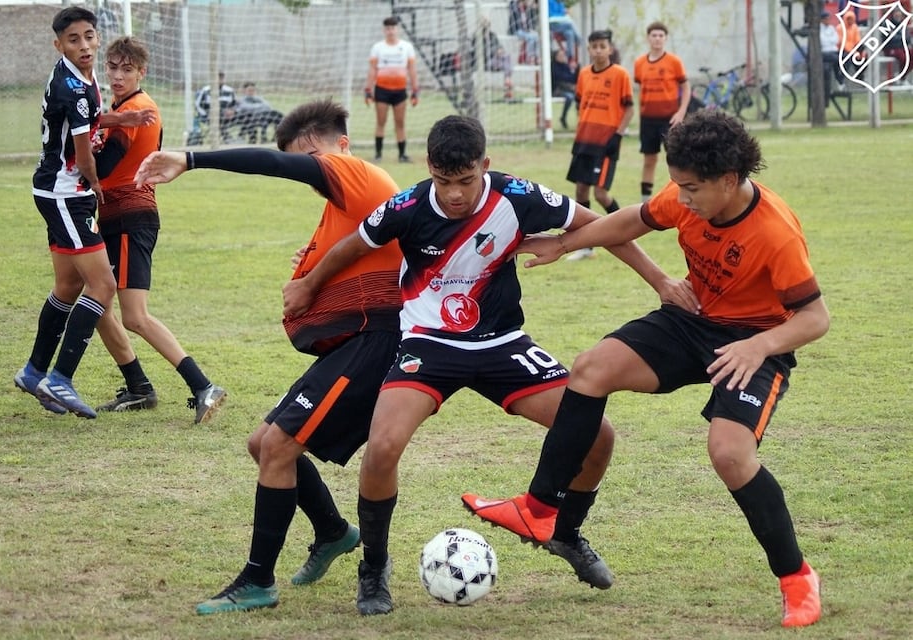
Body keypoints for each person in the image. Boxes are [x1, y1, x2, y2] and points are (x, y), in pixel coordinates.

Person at [283, 115, 693, 616]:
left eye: (466, 181)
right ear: (429, 169)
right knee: (384, 445)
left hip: (501, 343)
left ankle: (565, 534)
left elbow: (600, 226)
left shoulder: (518, 197)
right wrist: (308, 284)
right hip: (429, 345)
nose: (454, 195)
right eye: (443, 181)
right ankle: (374, 567)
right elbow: (355, 243)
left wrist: (662, 281)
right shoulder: (409, 205)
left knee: (598, 434)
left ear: (486, 166)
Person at [465, 109, 829, 629]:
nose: (680, 199)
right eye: (677, 186)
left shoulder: (775, 233)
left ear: (729, 181)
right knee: (590, 370)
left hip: (756, 341)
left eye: (692, 189)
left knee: (729, 454)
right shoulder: (687, 197)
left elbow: (816, 317)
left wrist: (758, 347)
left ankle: (796, 578)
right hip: (691, 322)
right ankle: (541, 509)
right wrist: (563, 243)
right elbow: (633, 218)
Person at [134, 99, 403, 613]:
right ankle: (331, 531)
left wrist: (191, 159)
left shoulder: (356, 173)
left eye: (313, 157)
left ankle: (258, 582)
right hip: (354, 342)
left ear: (340, 145)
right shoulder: (342, 207)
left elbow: (279, 165)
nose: (311, 169)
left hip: (375, 342)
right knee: (263, 444)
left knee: (278, 448)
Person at [13, 6, 153, 419]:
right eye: (74, 40)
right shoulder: (72, 86)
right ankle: (59, 380)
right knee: (104, 286)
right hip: (65, 195)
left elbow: (90, 119)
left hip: (57, 192)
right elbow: (82, 149)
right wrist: (94, 184)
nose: (85, 45)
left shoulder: (80, 76)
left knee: (67, 286)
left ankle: (34, 370)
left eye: (89, 36)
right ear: (59, 45)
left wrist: (122, 116)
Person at [91, 36, 226, 424]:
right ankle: (138, 387)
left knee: (134, 315)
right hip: (116, 217)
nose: (117, 76)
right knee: (95, 305)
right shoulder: (122, 108)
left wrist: (77, 140)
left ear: (141, 72)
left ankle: (203, 386)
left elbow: (101, 169)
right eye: (113, 68)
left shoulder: (138, 109)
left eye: (126, 69)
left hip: (132, 217)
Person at [564, 29, 633, 261]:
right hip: (584, 141)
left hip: (606, 143)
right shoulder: (584, 74)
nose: (599, 50)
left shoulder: (620, 74)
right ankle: (586, 247)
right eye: (594, 46)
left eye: (603, 46)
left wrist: (618, 135)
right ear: (589, 49)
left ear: (610, 49)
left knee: (601, 193)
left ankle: (626, 233)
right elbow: (579, 103)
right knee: (580, 190)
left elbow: (630, 108)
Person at [633, 21, 690, 204]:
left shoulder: (674, 61)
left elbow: (686, 88)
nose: (657, 39)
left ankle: (680, 196)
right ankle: (645, 201)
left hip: (670, 119)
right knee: (649, 159)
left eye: (660, 35)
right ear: (648, 38)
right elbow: (640, 88)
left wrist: (681, 113)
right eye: (654, 35)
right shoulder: (640, 63)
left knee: (675, 159)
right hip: (648, 120)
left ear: (665, 38)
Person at [364, 16, 419, 163]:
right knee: (381, 121)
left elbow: (412, 70)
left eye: (393, 28)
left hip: (400, 90)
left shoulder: (407, 47)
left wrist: (415, 90)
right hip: (382, 90)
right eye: (388, 28)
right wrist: (368, 90)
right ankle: (378, 154)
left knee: (400, 122)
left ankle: (402, 154)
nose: (390, 31)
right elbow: (372, 70)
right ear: (384, 30)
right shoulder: (378, 48)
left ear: (398, 29)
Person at [471, 17, 516, 100]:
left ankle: (507, 81)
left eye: (487, 25)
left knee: (507, 56)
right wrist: (495, 51)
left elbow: (499, 45)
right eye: (483, 25)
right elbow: (480, 51)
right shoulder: (476, 37)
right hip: (484, 62)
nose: (486, 27)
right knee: (506, 60)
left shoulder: (492, 35)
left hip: (495, 60)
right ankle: (508, 81)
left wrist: (500, 50)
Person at [194, 71, 238, 142]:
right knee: (218, 115)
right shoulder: (205, 90)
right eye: (218, 78)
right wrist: (206, 115)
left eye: (221, 78)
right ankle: (227, 137)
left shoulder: (230, 90)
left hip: (228, 116)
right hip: (208, 116)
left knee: (247, 115)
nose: (220, 80)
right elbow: (198, 105)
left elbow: (236, 104)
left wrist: (233, 111)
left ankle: (241, 138)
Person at [551, 47, 579, 129]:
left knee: (579, 97)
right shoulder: (553, 66)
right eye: (561, 55)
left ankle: (580, 119)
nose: (563, 57)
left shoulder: (566, 66)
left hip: (566, 89)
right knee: (569, 97)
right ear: (555, 57)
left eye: (564, 55)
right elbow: (561, 78)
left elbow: (572, 79)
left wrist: (576, 69)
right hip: (557, 89)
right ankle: (563, 117)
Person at [508, 0, 540, 65]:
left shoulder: (528, 10)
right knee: (530, 37)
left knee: (536, 36)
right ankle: (529, 56)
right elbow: (512, 4)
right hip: (517, 30)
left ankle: (536, 56)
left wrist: (530, 29)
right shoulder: (515, 7)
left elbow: (533, 20)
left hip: (527, 30)